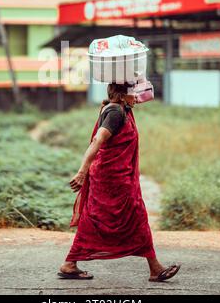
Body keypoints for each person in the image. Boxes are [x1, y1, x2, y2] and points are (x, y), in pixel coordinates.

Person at [58, 82, 181, 282]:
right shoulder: (115, 113)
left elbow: (144, 96)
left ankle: (154, 268)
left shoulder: (123, 109)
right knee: (106, 218)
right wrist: (82, 172)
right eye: (133, 93)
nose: (137, 96)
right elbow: (97, 141)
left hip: (118, 178)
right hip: (110, 178)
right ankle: (70, 263)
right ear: (122, 95)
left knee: (125, 217)